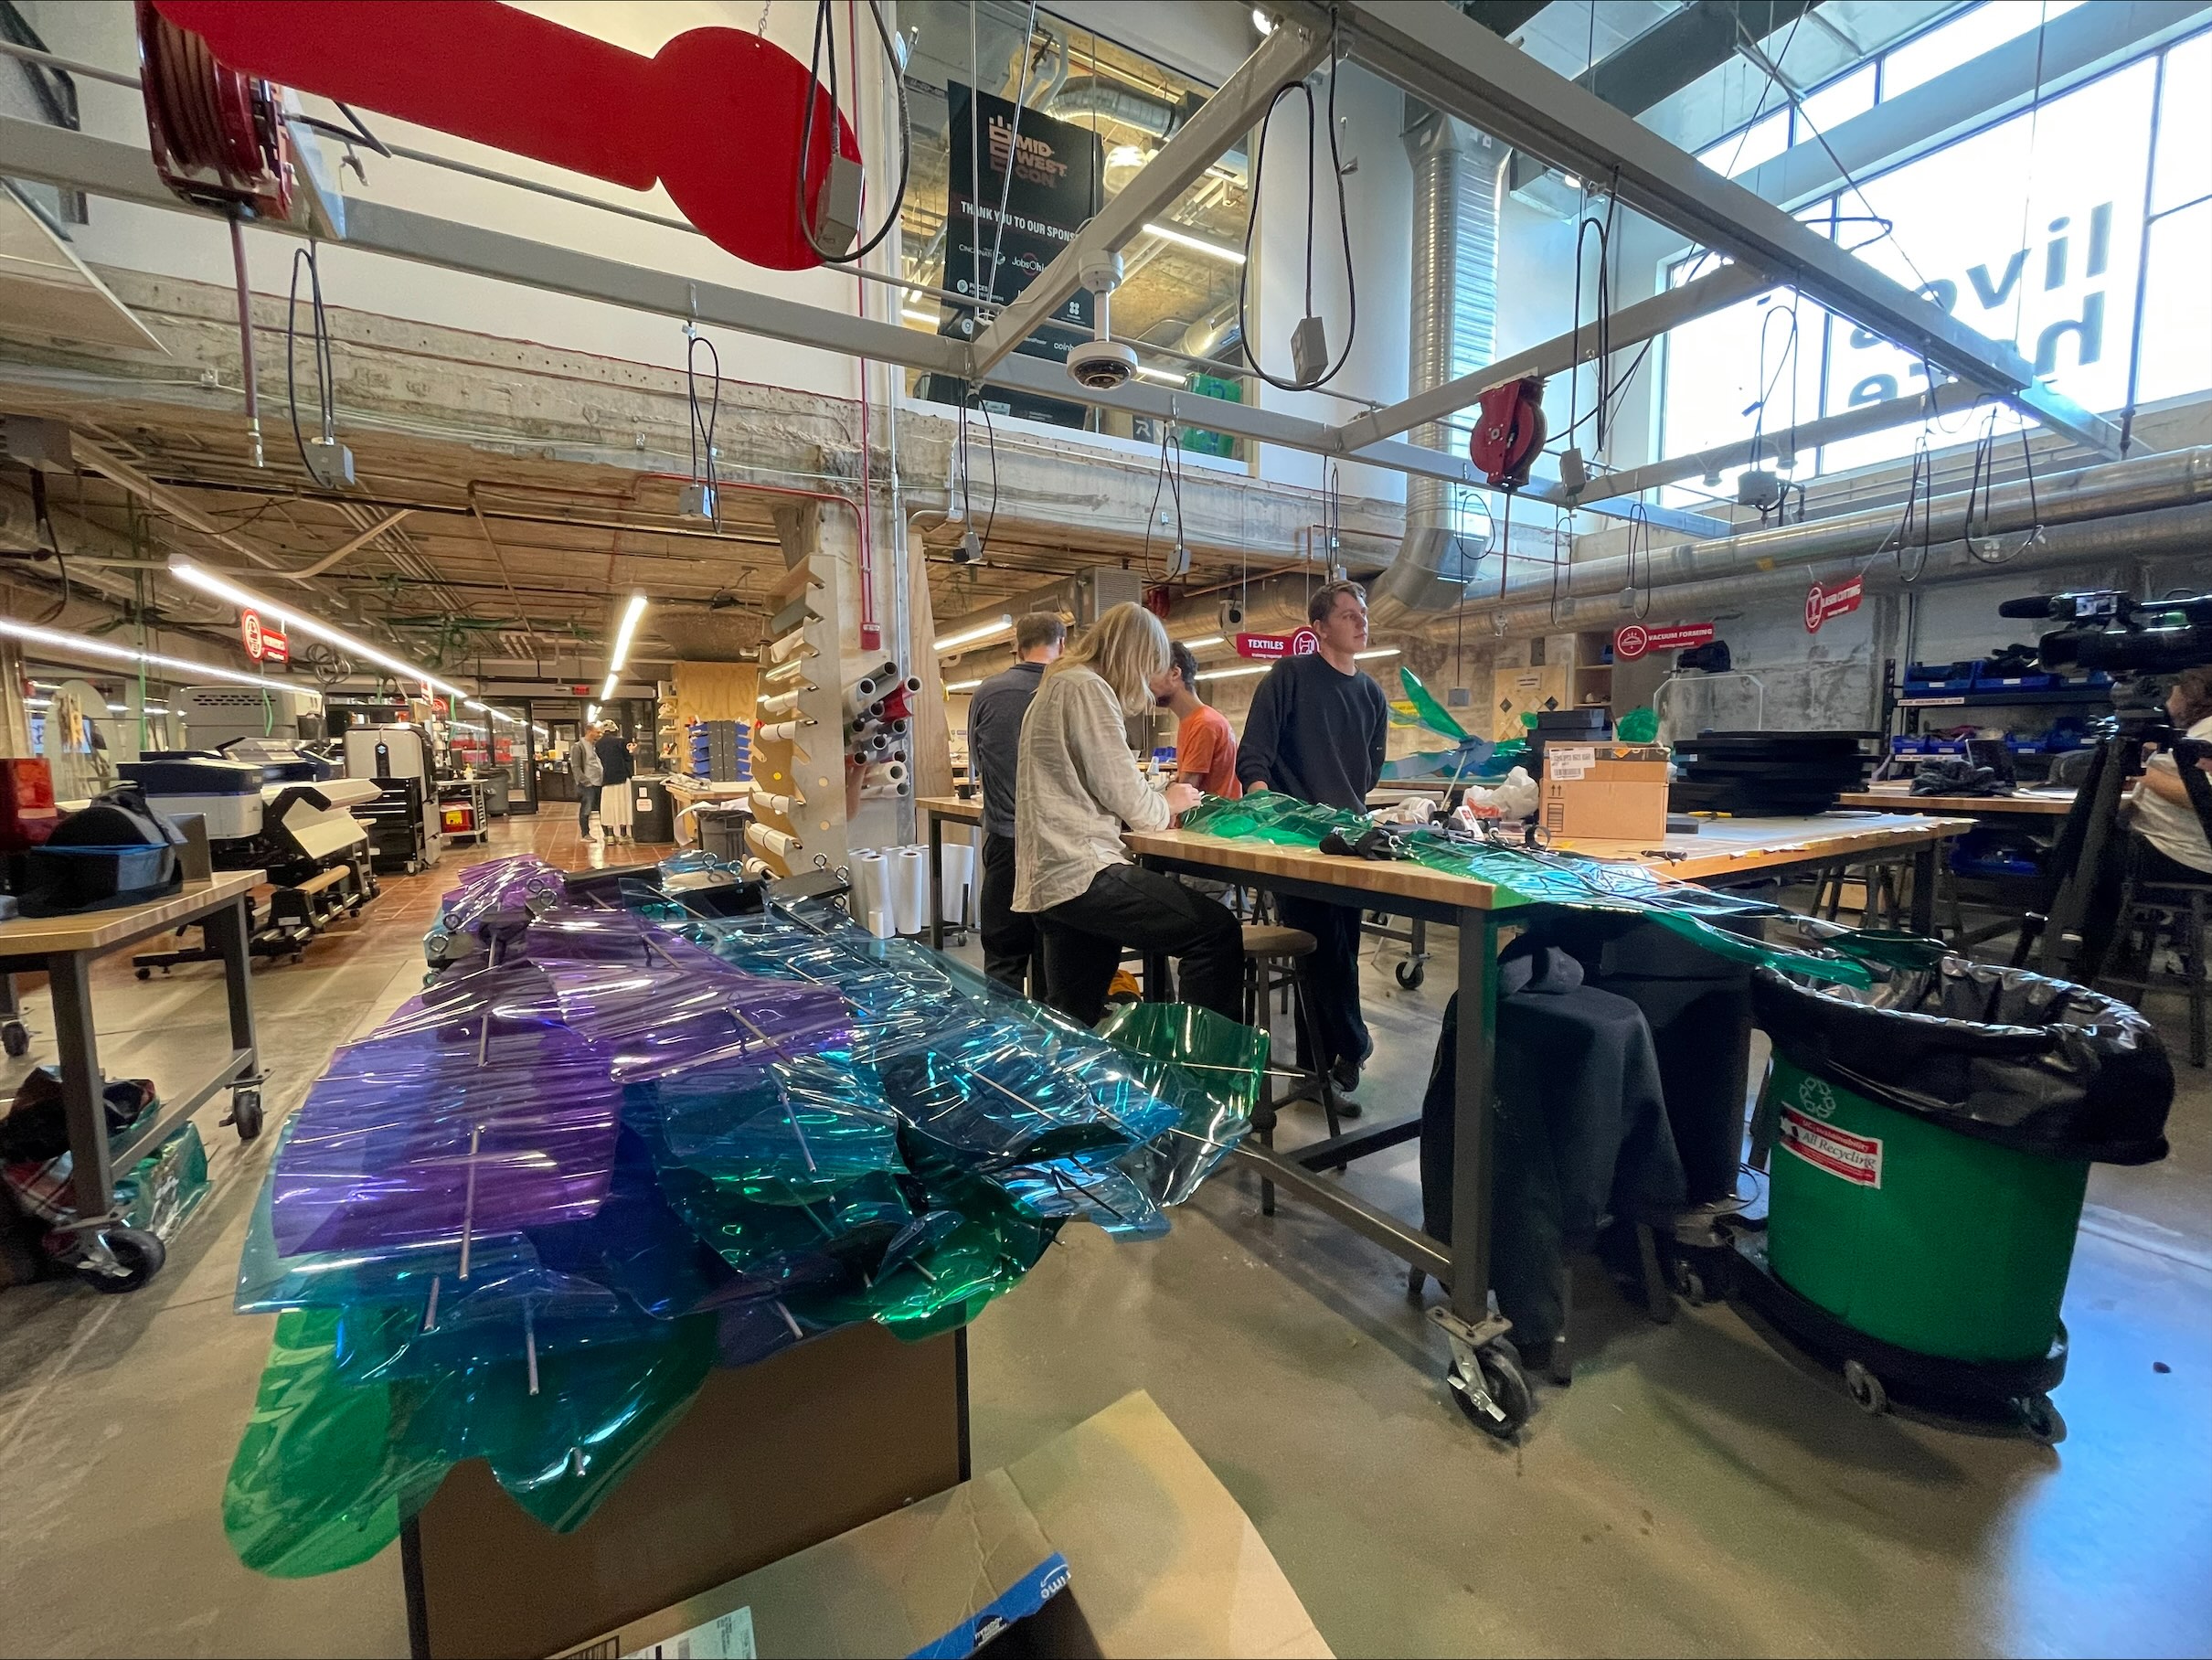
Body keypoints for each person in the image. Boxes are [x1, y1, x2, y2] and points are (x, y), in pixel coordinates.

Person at [1014, 602, 1243, 1027]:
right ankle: (1200, 1078)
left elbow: (1098, 782)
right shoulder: (1088, 689)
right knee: (1216, 933)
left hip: (1050, 877)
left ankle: (1070, 1091)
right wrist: (1169, 802)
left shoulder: (1054, 687)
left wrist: (1155, 797)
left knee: (1072, 1022)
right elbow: (1137, 807)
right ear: (1135, 657)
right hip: (1083, 870)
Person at [1236, 580, 1388, 1101]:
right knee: (1321, 947)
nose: (1360, 621)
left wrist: (1348, 807)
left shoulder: (1371, 693)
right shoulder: (1291, 675)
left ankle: (1319, 1069)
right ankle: (1353, 1041)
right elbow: (1254, 750)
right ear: (1320, 628)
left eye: (1362, 613)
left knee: (1341, 947)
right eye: (1348, 615)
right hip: (1298, 837)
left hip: (1351, 836)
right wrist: (1265, 799)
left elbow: (1369, 771)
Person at [968, 612, 1066, 995]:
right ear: (1062, 642)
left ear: (1017, 645)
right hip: (1055, 845)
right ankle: (1050, 1044)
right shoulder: (1070, 690)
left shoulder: (987, 692)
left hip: (1006, 839)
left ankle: (1005, 1043)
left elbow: (978, 761)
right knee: (1051, 952)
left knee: (1004, 957)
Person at [1161, 641, 1239, 800]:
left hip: (1209, 822)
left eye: (1152, 674)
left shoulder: (1204, 724)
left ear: (1175, 673)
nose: (1146, 683)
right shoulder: (1195, 720)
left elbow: (1185, 793)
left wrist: (1172, 787)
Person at [594, 723, 635, 843]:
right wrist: (631, 751)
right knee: (623, 805)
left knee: (608, 806)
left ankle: (610, 835)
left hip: (607, 778)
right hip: (622, 777)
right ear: (615, 730)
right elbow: (627, 758)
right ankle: (623, 834)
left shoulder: (598, 744)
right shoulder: (621, 742)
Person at [569, 723, 603, 837]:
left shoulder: (595, 746)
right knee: (586, 809)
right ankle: (585, 834)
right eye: (597, 732)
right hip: (588, 784)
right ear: (589, 731)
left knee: (601, 809)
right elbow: (575, 767)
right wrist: (585, 781)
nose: (599, 734)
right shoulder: (578, 747)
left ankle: (607, 834)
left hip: (599, 782)